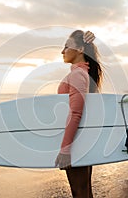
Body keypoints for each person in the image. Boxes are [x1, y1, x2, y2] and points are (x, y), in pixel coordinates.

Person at [55, 30, 104, 198]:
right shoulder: (84, 74)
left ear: (80, 50)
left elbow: (76, 113)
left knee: (79, 192)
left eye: (66, 47)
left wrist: (65, 149)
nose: (62, 51)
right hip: (81, 140)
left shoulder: (77, 75)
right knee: (84, 190)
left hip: (75, 142)